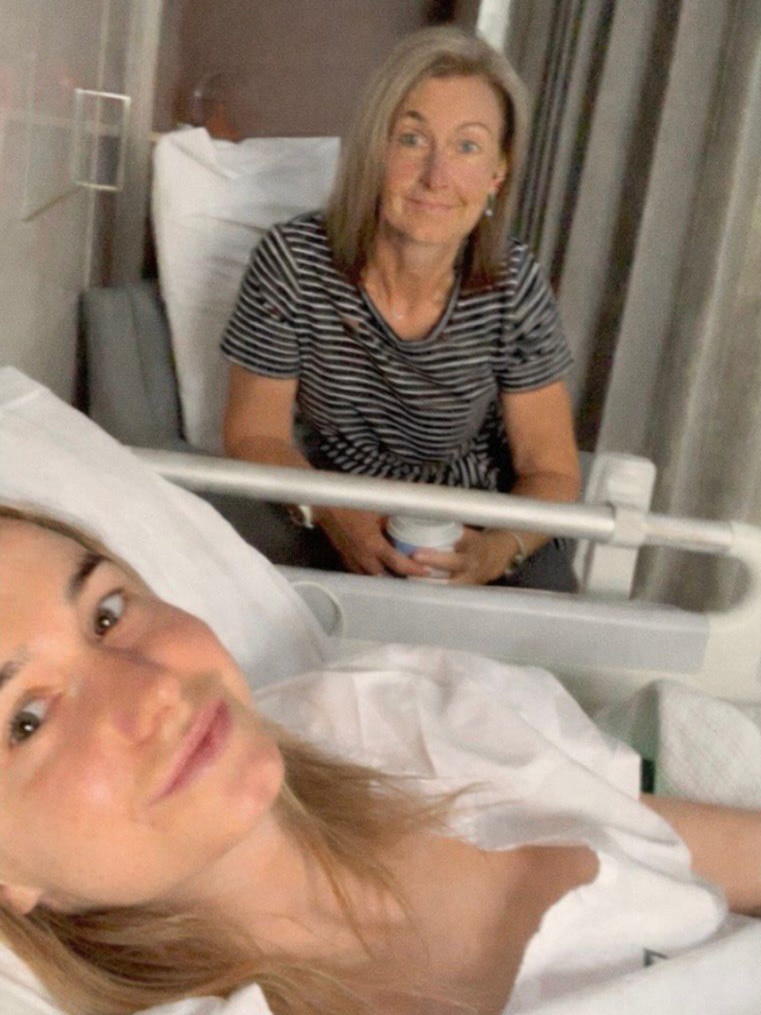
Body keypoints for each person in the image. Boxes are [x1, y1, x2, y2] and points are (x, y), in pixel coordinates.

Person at [0, 503, 759, 1015]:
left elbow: (718, 851)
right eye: (26, 720)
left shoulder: (407, 714)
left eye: (107, 612)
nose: (155, 689)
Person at [221, 27, 581, 592]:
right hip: (324, 504)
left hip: (472, 523)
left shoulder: (514, 283)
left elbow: (552, 470)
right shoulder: (292, 261)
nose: (436, 177)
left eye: (467, 146)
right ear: (374, 150)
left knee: (547, 633)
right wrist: (337, 515)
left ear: (497, 173)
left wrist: (495, 551)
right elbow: (253, 434)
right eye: (412, 139)